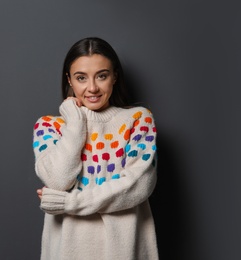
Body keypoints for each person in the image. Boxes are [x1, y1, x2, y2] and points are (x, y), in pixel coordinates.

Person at [32, 37, 158, 260]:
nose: (92, 88)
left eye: (102, 75)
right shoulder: (49, 126)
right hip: (67, 251)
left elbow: (138, 185)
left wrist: (69, 202)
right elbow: (58, 180)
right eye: (81, 78)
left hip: (123, 250)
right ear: (69, 80)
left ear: (114, 76)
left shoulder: (139, 119)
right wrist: (76, 120)